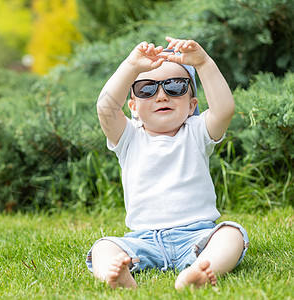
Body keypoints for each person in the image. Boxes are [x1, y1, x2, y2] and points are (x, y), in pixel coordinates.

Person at [86, 36, 249, 290]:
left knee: (232, 234)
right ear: (133, 107)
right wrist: (131, 66)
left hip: (197, 235)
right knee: (104, 247)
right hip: (142, 240)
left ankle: (200, 268)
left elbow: (224, 109)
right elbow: (105, 108)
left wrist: (203, 63)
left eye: (175, 86)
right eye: (146, 89)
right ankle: (116, 276)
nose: (161, 95)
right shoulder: (128, 137)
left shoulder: (196, 132)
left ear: (192, 104)